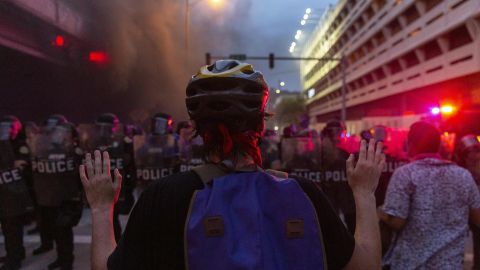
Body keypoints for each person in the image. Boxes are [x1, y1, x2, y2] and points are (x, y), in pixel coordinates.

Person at [80, 60, 384, 270]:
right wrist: (364, 192)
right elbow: (366, 265)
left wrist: (100, 206)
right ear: (261, 126)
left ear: (196, 128)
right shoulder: (304, 194)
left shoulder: (163, 197)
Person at [379, 121, 480, 269]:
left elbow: (396, 221)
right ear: (439, 146)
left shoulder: (405, 174)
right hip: (450, 265)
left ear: (410, 145)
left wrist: (380, 212)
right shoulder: (463, 175)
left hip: (411, 265)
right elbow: (477, 218)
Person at [31, 116, 84, 270]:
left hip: (67, 197)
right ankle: (61, 258)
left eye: (61, 132)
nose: (58, 135)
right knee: (56, 230)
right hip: (51, 196)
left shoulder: (75, 150)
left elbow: (80, 172)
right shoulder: (47, 150)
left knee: (64, 230)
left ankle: (67, 262)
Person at [89, 113, 135, 241]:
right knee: (109, 219)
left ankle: (117, 245)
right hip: (103, 184)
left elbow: (130, 163)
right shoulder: (95, 143)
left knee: (114, 218)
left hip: (117, 183)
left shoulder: (122, 142)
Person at [0, 116, 33, 270]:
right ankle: (14, 253)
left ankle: (14, 259)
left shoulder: (19, 145)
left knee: (13, 228)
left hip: (15, 193)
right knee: (7, 227)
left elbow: (23, 166)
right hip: (5, 193)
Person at [320, 121, 356, 234]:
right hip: (329, 203)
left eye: (339, 132)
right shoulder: (320, 156)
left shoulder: (345, 154)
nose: (336, 137)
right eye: (332, 133)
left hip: (346, 203)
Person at [456, 134, 480, 270]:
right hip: (464, 223)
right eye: (469, 153)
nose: (474, 156)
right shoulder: (460, 174)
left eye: (476, 151)